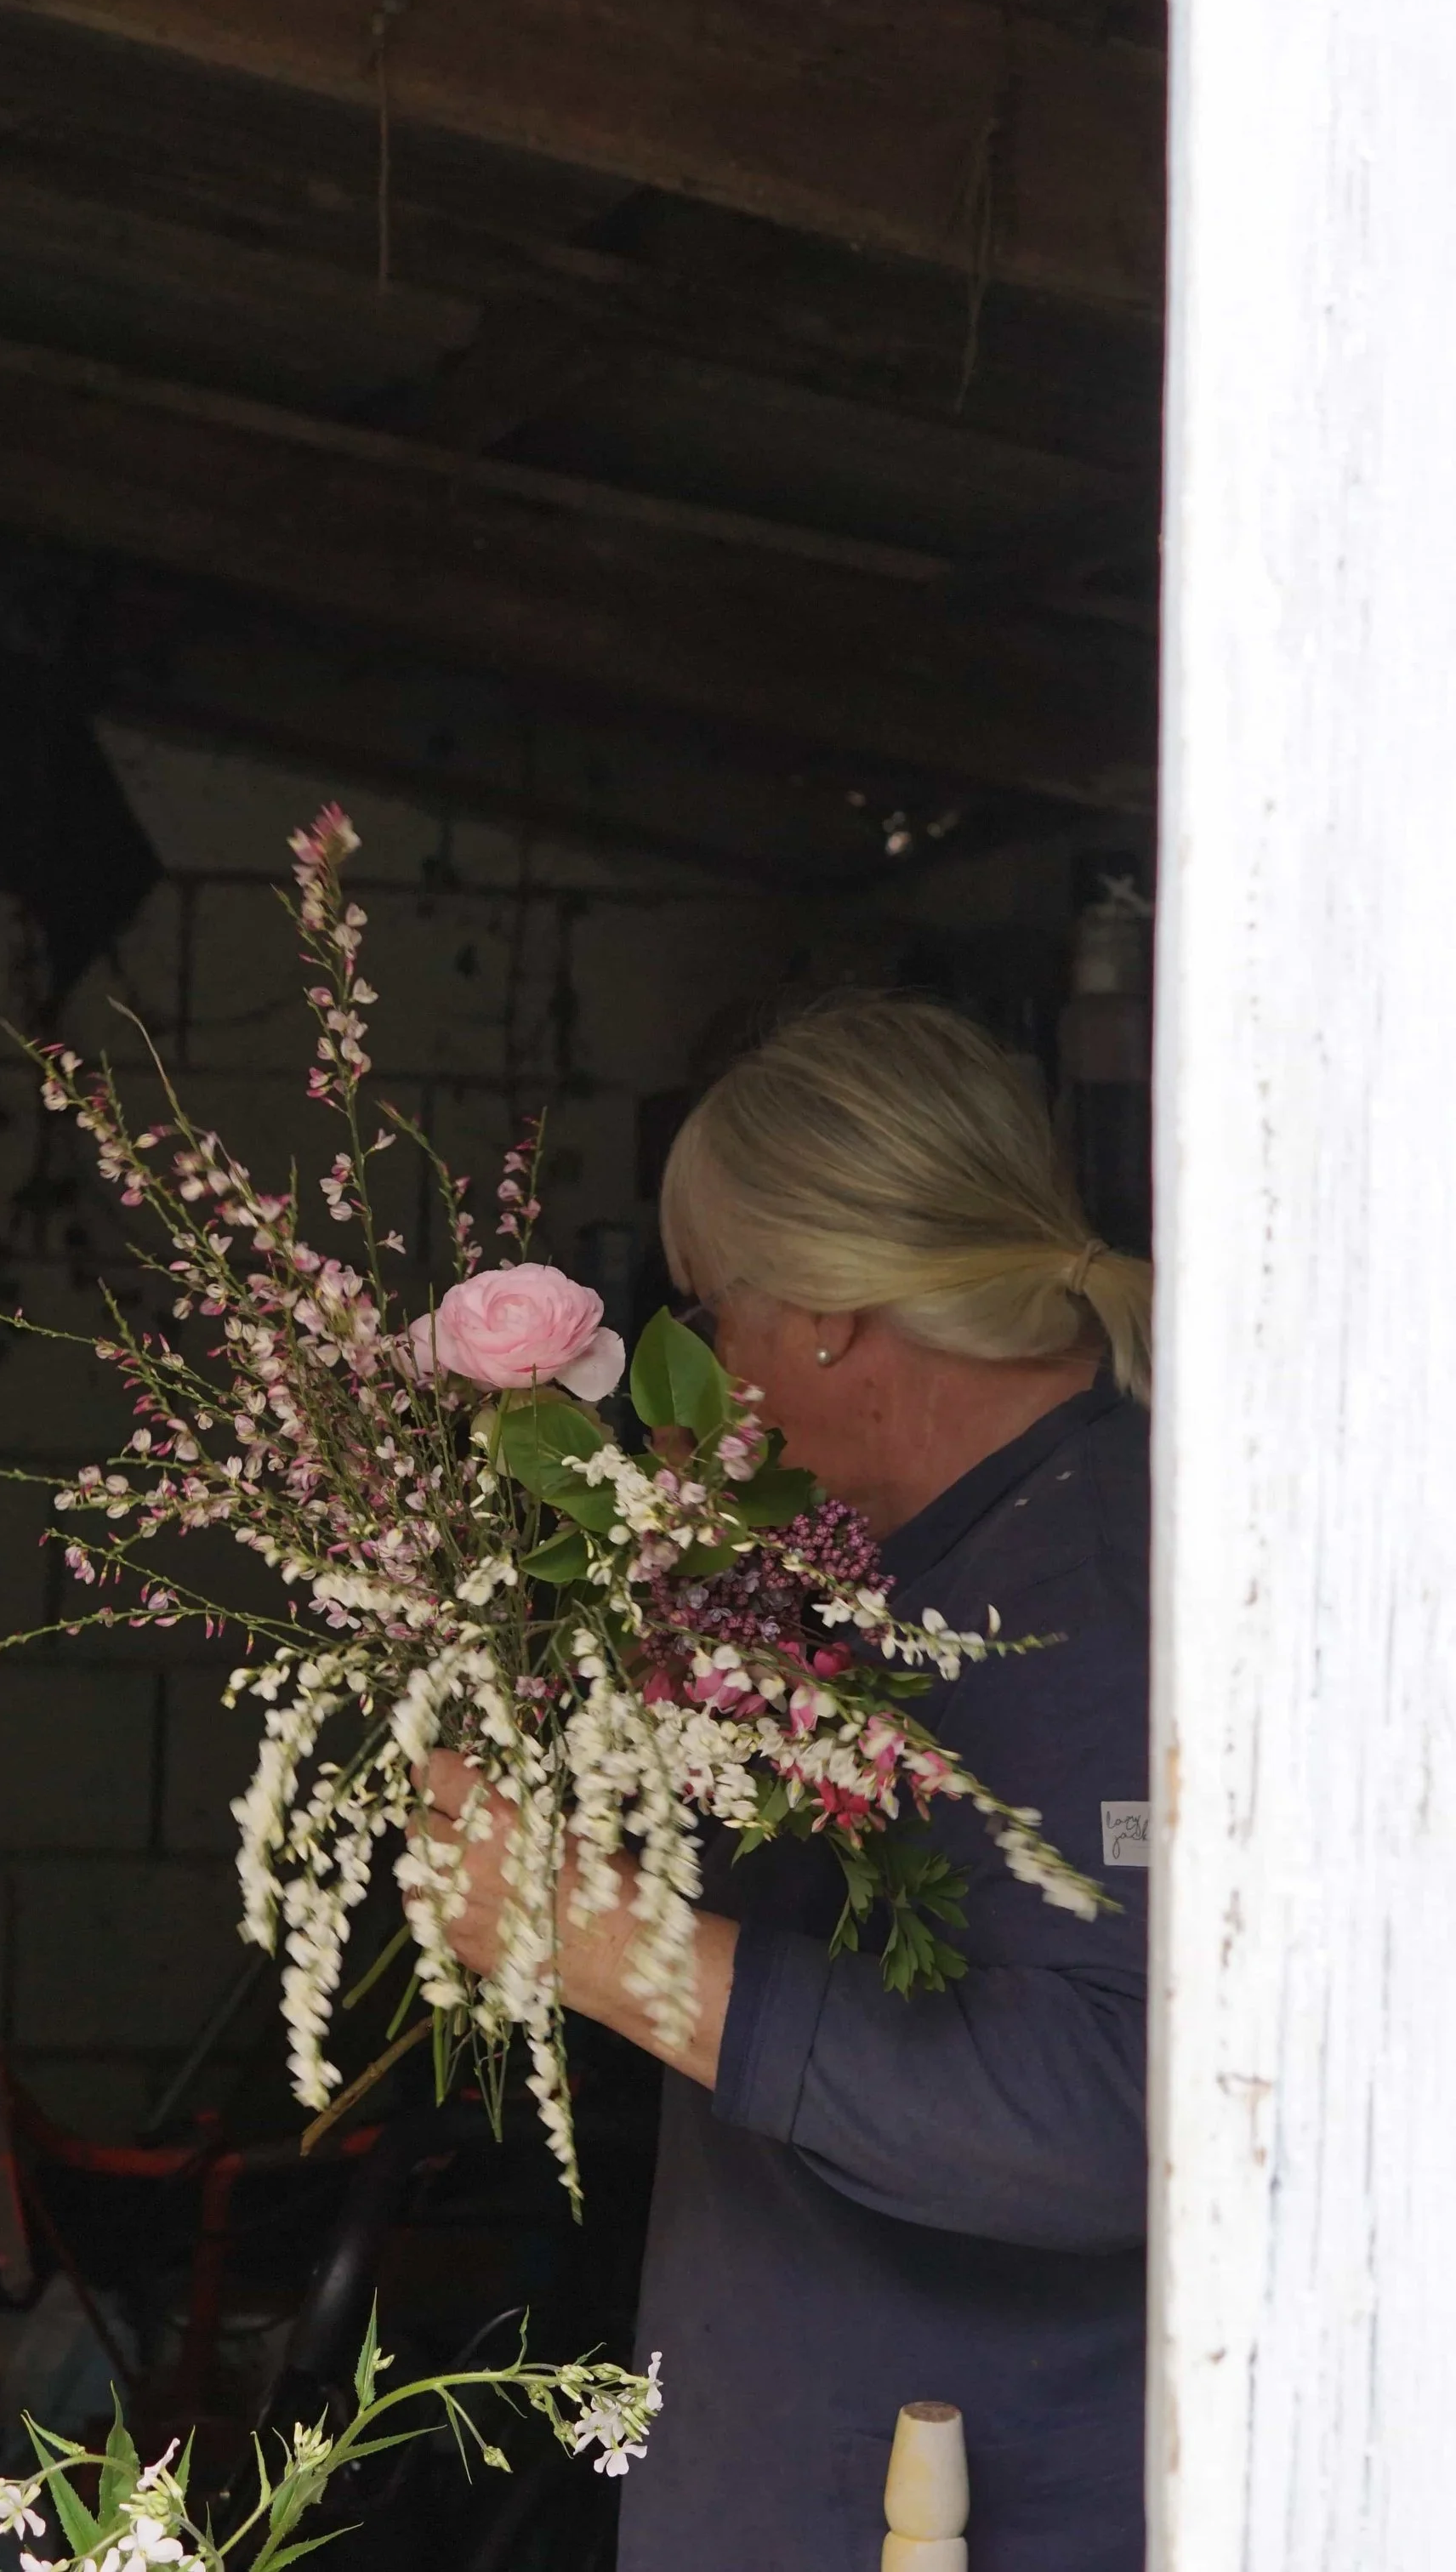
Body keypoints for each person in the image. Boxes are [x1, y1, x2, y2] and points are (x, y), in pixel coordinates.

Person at [424, 994, 1152, 2571]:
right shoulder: (902, 1559)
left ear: (825, 1315)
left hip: (975, 2506)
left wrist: (602, 1939)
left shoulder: (1101, 1590)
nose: (706, 1377)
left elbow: (1122, 2113)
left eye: (707, 1311)